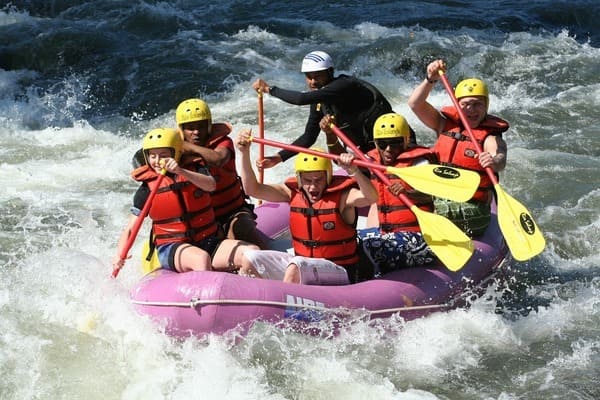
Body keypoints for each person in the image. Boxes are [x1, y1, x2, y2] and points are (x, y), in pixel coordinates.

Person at [235, 129, 378, 284]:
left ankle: (283, 304)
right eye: (307, 180)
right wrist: (244, 152)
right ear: (299, 178)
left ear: (328, 177)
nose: (312, 187)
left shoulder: (344, 197)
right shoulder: (291, 193)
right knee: (251, 258)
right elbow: (252, 189)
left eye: (318, 180)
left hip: (340, 269)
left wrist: (354, 170)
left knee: (297, 266)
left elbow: (371, 197)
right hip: (304, 264)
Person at [112, 128, 261, 277]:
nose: (157, 161)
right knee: (201, 260)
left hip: (208, 240)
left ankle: (247, 291)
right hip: (172, 246)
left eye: (163, 155)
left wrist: (181, 171)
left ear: (176, 153)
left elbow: (211, 185)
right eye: (152, 156)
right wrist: (119, 254)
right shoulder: (146, 189)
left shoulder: (195, 170)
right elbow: (131, 228)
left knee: (252, 254)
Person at [251, 50, 415, 169]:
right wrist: (278, 158)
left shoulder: (344, 85)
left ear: (330, 72)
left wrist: (269, 89)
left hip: (397, 144)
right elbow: (308, 137)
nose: (313, 82)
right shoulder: (320, 101)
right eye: (309, 77)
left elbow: (300, 99)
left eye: (318, 76)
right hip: (371, 153)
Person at [407, 59, 508, 237]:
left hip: (471, 206)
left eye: (478, 104)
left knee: (437, 211)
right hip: (439, 195)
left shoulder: (489, 137)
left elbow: (500, 155)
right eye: (466, 104)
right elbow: (415, 104)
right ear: (457, 105)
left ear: (486, 107)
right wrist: (430, 80)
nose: (471, 109)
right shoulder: (443, 125)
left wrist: (493, 161)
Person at [175, 98, 269, 249]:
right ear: (181, 130)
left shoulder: (223, 143)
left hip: (232, 212)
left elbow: (219, 159)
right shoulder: (175, 152)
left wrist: (189, 148)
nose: (197, 132)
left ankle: (268, 260)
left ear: (209, 126)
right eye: (190, 128)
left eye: (201, 126)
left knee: (241, 229)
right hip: (200, 221)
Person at [358, 113, 436, 276]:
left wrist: (407, 192)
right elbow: (343, 162)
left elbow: (434, 196)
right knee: (350, 241)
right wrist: (332, 138)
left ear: (406, 141)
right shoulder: (372, 161)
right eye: (383, 143)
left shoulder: (420, 163)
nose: (388, 149)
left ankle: (367, 286)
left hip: (419, 240)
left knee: (370, 245)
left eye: (395, 143)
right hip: (386, 235)